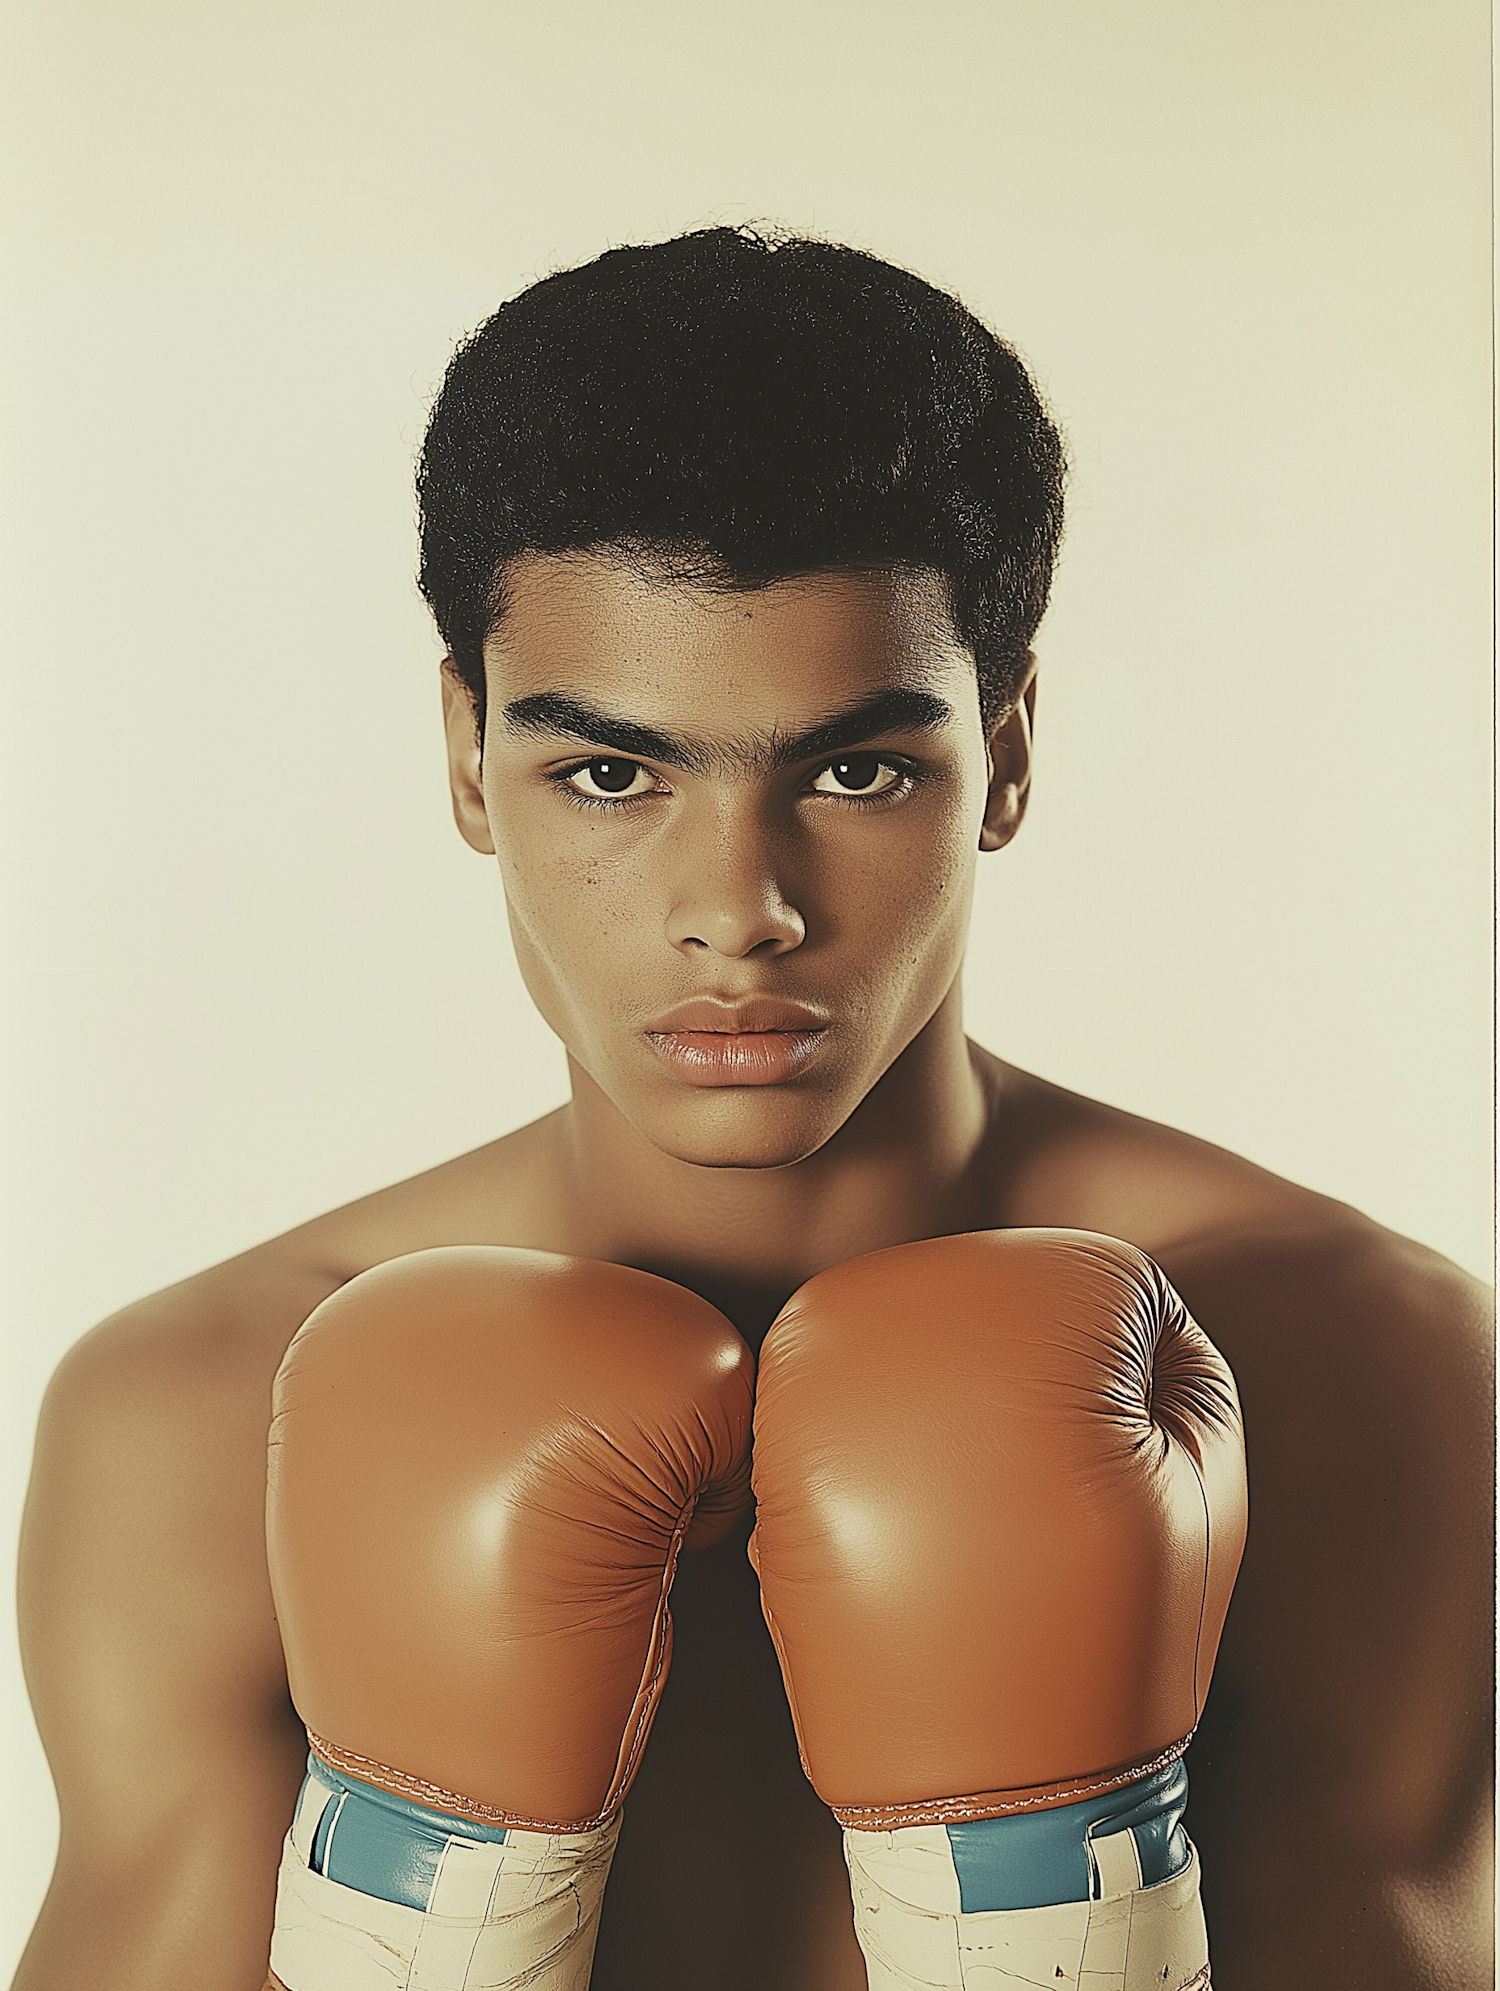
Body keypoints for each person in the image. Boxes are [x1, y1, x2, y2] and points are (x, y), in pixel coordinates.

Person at [12, 226, 1491, 1991]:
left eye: (856, 769)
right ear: (468, 760)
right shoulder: (193, 1418)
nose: (742, 907)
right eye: (612, 772)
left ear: (1005, 756)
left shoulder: (1351, 1356)